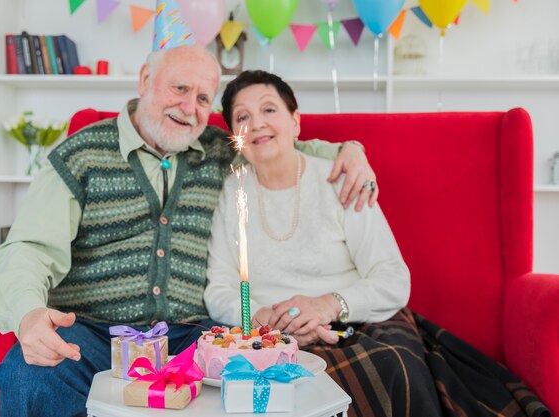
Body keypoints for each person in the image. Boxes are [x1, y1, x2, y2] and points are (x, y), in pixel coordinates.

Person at [0, 44, 378, 416]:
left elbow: (283, 147)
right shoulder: (81, 154)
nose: (190, 108)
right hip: (90, 332)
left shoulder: (218, 148)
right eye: (180, 88)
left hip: (192, 333)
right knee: (29, 379)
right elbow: (29, 248)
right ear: (144, 80)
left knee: (257, 379)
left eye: (204, 98)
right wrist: (28, 314)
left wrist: (350, 149)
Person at [205, 70, 549, 417]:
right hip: (269, 333)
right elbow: (219, 288)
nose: (257, 124)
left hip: (356, 322)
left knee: (390, 368)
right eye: (243, 117)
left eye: (269, 110)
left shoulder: (341, 179)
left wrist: (328, 305)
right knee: (283, 384)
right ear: (235, 135)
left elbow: (393, 278)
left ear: (295, 121)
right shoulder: (231, 194)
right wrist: (265, 320)